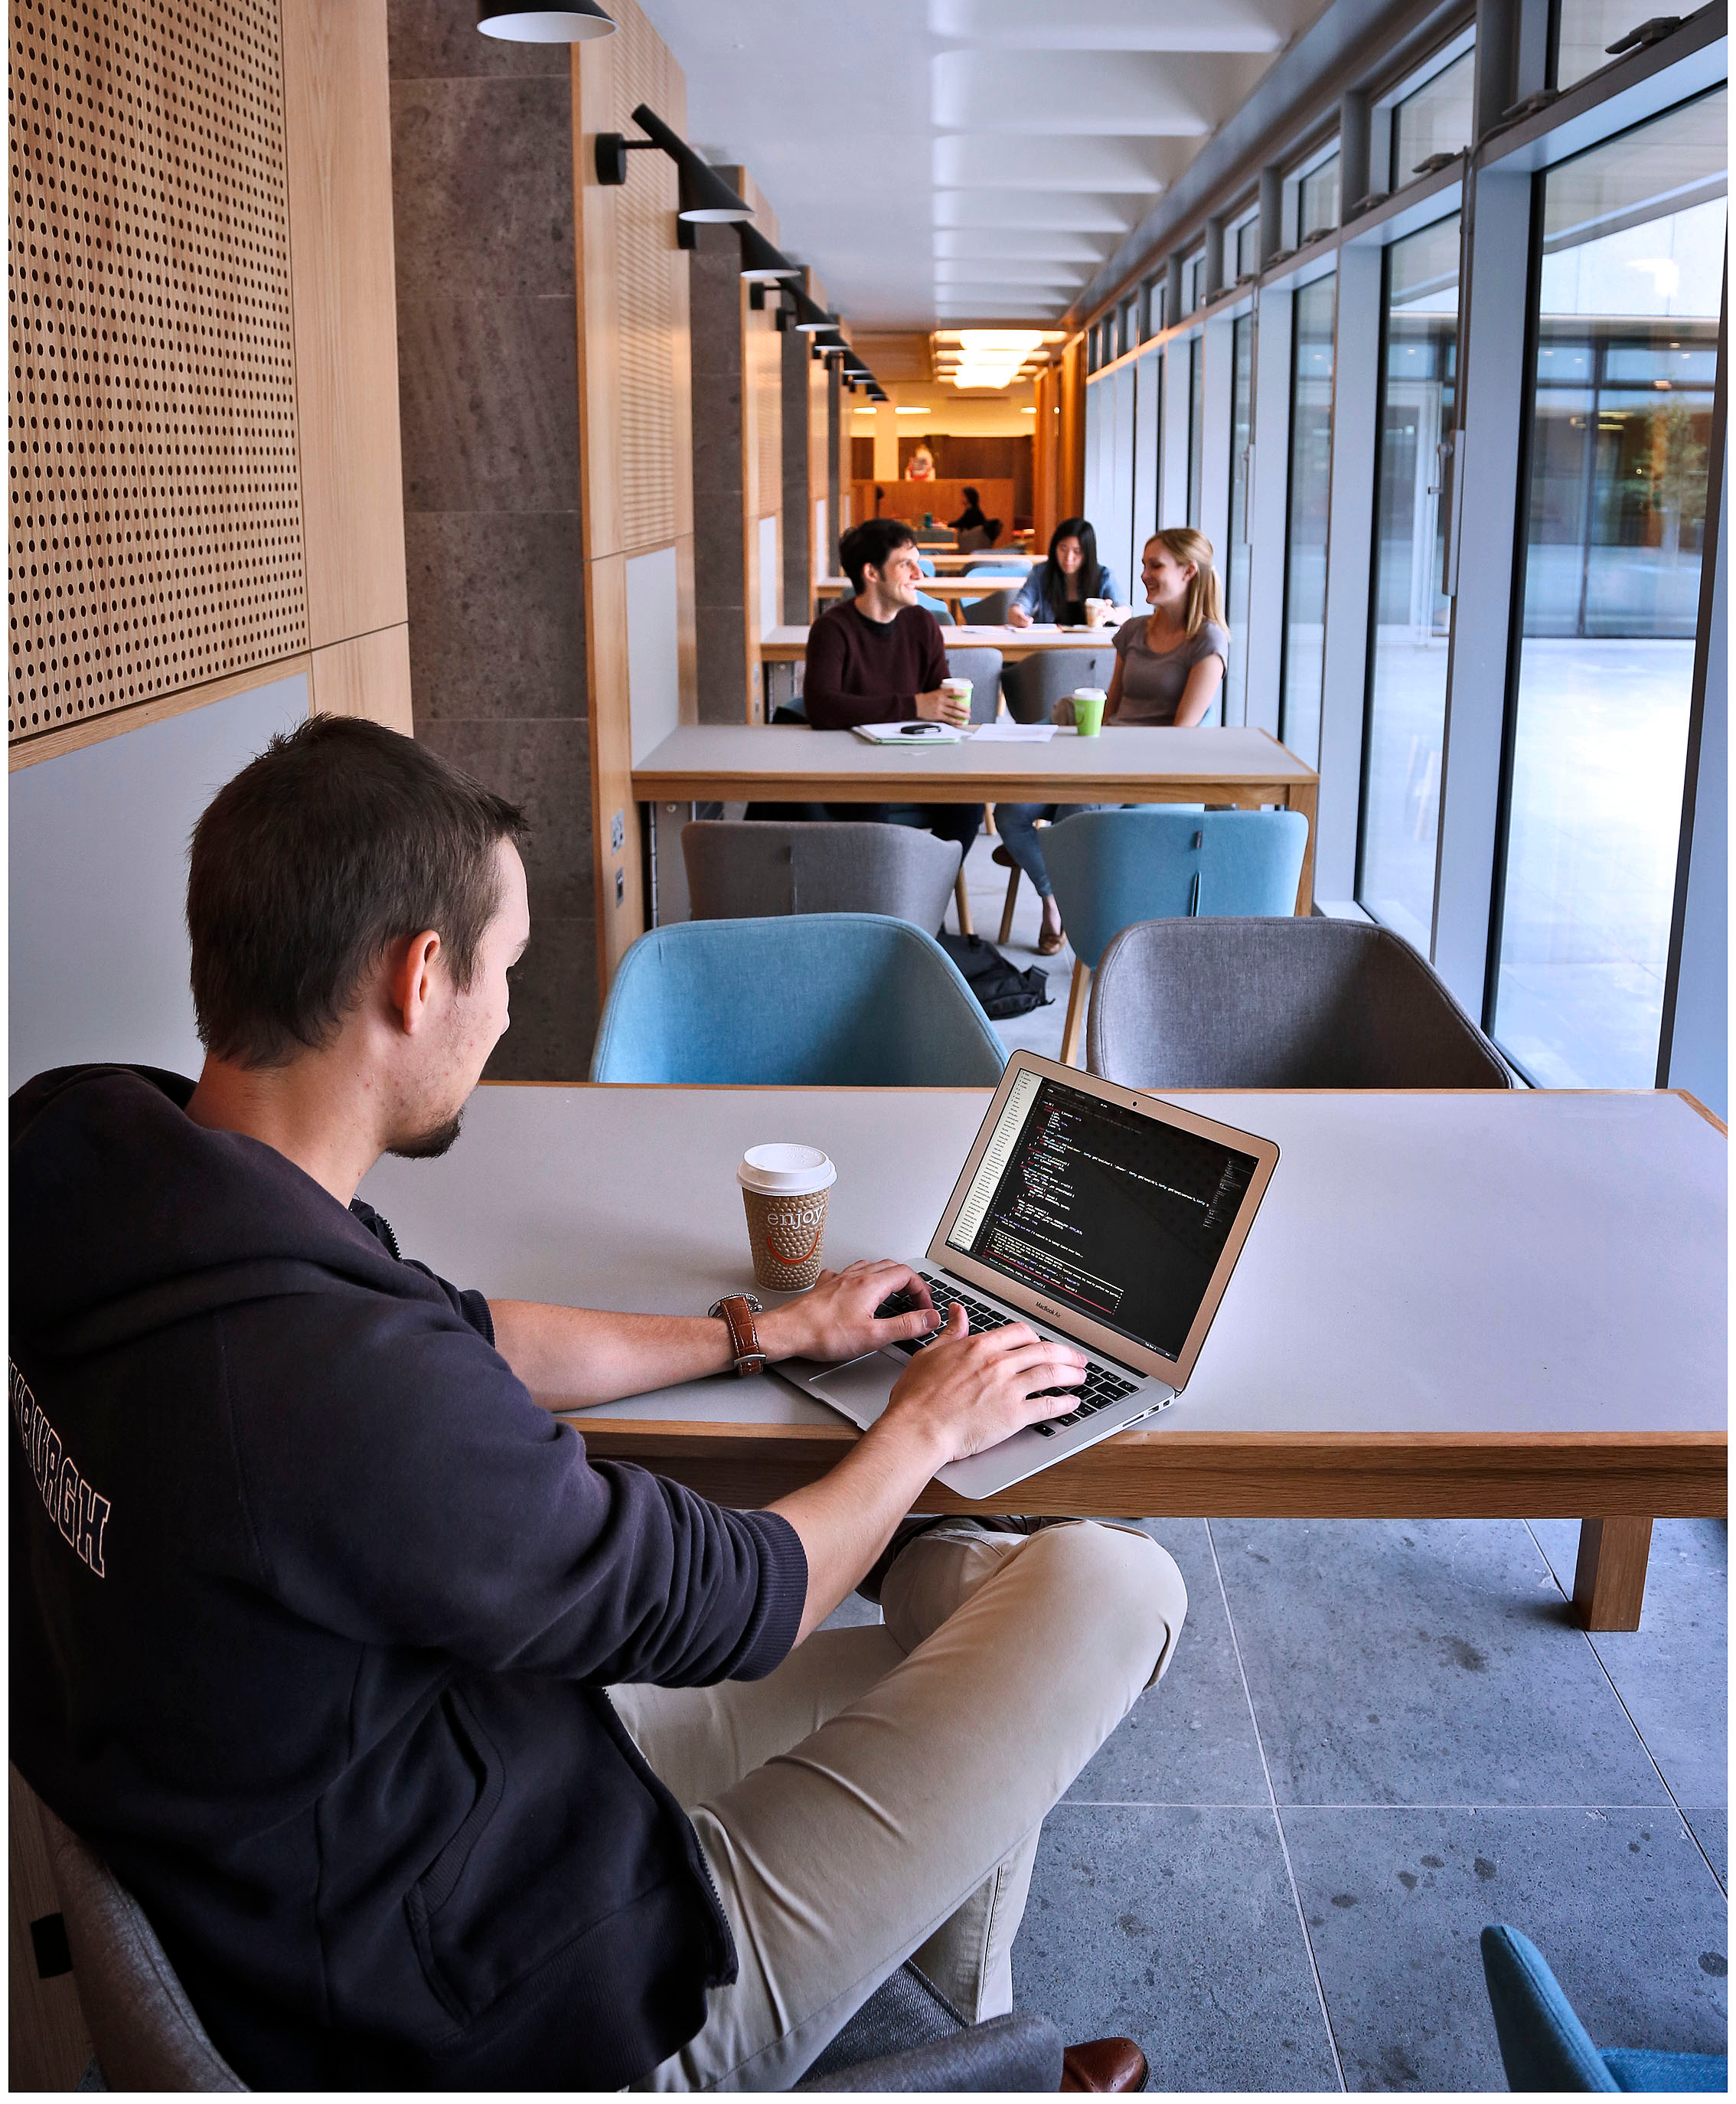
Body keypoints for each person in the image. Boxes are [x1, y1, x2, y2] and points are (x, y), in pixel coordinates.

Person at [11, 717, 1186, 2093]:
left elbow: (463, 1340)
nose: (508, 1010)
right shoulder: (334, 1392)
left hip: (381, 1811)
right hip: (539, 2002)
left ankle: (961, 1631)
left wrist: (759, 1332)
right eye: (505, 967)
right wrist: (922, 1426)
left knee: (985, 1638)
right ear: (419, 974)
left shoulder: (84, 1148)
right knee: (1110, 1588)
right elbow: (739, 1600)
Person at [995, 528, 1229, 955]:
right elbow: (1114, 709)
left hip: (1149, 772)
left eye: (1155, 565)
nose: (1143, 575)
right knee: (1009, 812)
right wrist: (1078, 713)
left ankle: (1070, 904)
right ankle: (1056, 898)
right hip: (1102, 756)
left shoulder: (1208, 641)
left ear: (1189, 571)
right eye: (1144, 565)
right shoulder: (1134, 631)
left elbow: (1181, 736)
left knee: (1072, 816)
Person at [801, 516, 982, 860]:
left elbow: (936, 700)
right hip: (853, 767)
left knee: (968, 805)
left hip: (918, 760)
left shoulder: (922, 624)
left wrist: (950, 710)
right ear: (871, 573)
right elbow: (822, 708)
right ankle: (887, 898)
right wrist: (916, 705)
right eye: (906, 565)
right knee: (870, 814)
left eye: (918, 563)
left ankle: (926, 894)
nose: (920, 575)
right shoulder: (832, 629)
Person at [1007, 516, 1116, 629]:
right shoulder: (1041, 572)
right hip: (1051, 644)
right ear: (1055, 548)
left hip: (1093, 645)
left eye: (1077, 552)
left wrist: (1112, 614)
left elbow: (1125, 612)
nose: (1069, 558)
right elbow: (1022, 603)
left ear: (1088, 553)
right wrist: (1018, 615)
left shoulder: (1104, 575)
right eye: (1063, 549)